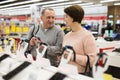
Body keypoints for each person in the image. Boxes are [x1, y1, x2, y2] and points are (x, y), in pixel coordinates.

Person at [62, 5, 97, 73]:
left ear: (73, 18)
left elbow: (92, 60)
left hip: (79, 75)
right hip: (65, 72)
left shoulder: (87, 36)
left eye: (66, 16)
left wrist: (72, 57)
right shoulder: (66, 36)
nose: (64, 19)